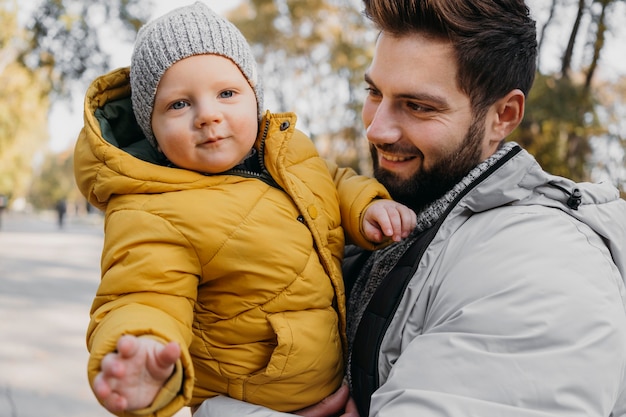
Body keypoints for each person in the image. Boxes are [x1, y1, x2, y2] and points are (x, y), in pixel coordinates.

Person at [194, 0, 626, 416]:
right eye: (374, 92)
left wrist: (202, 412)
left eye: (418, 106)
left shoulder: (543, 268)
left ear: (504, 115)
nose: (377, 128)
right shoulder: (387, 223)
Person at [73, 2, 417, 417]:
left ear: (254, 98)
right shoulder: (153, 210)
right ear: (154, 132)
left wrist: (366, 207)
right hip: (255, 403)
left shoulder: (286, 152)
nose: (208, 115)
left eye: (227, 93)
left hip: (333, 382)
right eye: (179, 104)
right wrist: (143, 347)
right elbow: (144, 293)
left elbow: (332, 180)